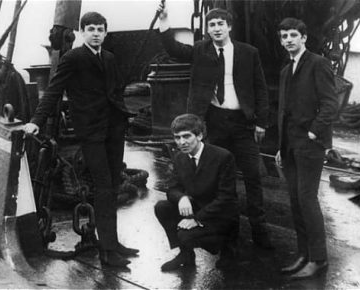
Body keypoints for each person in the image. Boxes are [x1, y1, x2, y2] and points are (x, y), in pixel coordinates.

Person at [23, 12, 138, 267]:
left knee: (114, 185)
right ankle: (107, 252)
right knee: (103, 186)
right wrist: (36, 121)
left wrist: (124, 116)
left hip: (113, 130)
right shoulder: (73, 58)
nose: (96, 33)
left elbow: (116, 91)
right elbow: (54, 90)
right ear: (82, 32)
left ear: (106, 33)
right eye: (91, 29)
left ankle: (113, 243)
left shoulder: (109, 58)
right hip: (92, 132)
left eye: (100, 29)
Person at [157, 3, 273, 249]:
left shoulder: (248, 53)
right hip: (214, 123)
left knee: (253, 177)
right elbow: (174, 49)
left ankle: (260, 233)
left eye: (221, 24)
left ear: (229, 27)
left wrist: (261, 122)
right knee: (216, 179)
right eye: (212, 25)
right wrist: (165, 22)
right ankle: (227, 237)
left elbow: (261, 89)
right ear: (207, 29)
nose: (217, 28)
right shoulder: (201, 50)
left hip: (242, 124)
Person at [274, 17, 338, 278]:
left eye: (292, 35)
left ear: (304, 38)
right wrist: (281, 145)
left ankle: (319, 259)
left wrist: (313, 131)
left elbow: (330, 104)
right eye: (284, 36)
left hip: (310, 144)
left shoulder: (318, 64)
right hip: (290, 145)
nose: (288, 40)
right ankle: (303, 255)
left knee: (307, 200)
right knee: (295, 201)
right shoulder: (286, 70)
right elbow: (284, 111)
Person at [155, 114, 239, 271]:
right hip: (198, 207)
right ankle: (185, 255)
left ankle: (227, 249)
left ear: (200, 135)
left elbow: (226, 198)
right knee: (162, 207)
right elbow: (172, 188)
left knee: (185, 235)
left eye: (187, 136)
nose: (182, 142)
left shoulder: (222, 157)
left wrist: (196, 219)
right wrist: (181, 198)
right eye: (177, 137)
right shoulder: (180, 157)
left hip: (220, 216)